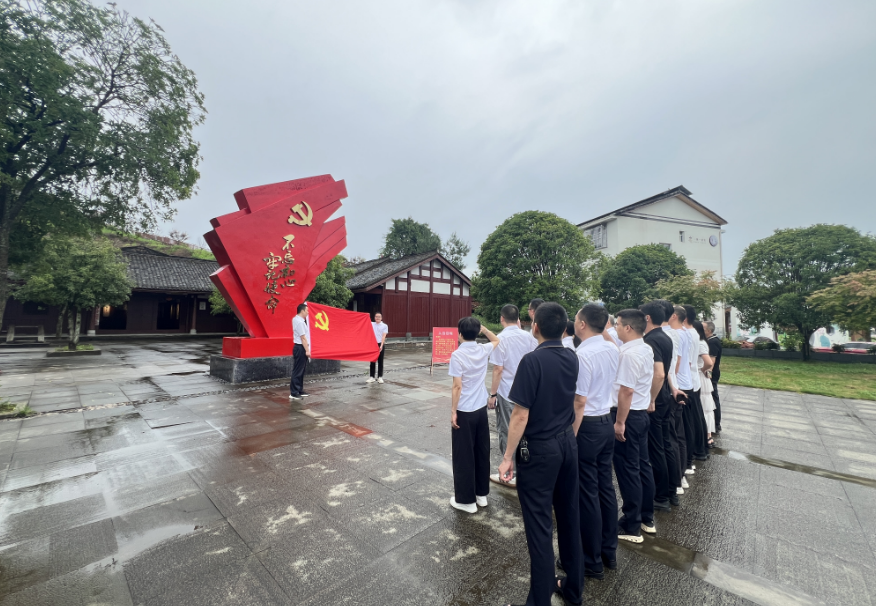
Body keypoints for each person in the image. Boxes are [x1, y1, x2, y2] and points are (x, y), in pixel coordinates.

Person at [498, 302, 583, 606]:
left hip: (540, 449)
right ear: (564, 328)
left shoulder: (532, 361)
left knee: (539, 526)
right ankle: (573, 590)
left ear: (535, 327)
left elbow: (520, 414)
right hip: (567, 443)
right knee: (569, 517)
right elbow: (575, 402)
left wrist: (507, 456)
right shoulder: (572, 356)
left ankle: (539, 600)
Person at [569, 303, 619, 580]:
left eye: (577, 318)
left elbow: (579, 401)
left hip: (587, 425)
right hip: (606, 422)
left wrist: (572, 435)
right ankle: (608, 551)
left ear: (582, 324)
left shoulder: (583, 355)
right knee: (605, 488)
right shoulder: (611, 348)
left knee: (587, 493)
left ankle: (591, 560)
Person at [611, 309, 656, 543]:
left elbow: (626, 390)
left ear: (628, 327)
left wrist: (620, 422)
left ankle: (631, 525)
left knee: (628, 471)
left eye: (618, 324)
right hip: (639, 415)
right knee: (642, 467)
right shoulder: (644, 348)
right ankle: (646, 517)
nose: (616, 328)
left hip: (628, 416)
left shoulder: (629, 355)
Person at [449, 317, 500, 513]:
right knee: (481, 450)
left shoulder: (457, 355)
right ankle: (481, 495)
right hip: (480, 408)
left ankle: (466, 501)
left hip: (465, 410)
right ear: (476, 332)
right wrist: (484, 330)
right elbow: (496, 340)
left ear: (460, 334)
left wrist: (453, 411)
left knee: (463, 455)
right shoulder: (482, 349)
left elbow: (457, 386)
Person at [488, 304, 537, 488]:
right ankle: (526, 470)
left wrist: (492, 394)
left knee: (507, 431)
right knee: (526, 431)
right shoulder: (529, 336)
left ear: (502, 318)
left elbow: (498, 369)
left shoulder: (500, 339)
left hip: (507, 392)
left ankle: (511, 473)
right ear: (518, 319)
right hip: (529, 391)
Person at [639, 301, 675, 514]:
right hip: (665, 397)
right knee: (665, 444)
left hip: (657, 399)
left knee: (656, 449)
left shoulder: (651, 340)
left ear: (647, 318)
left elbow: (659, 373)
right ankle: (670, 490)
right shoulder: (664, 337)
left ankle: (661, 496)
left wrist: (651, 399)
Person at [657, 299, 686, 498]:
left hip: (666, 390)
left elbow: (666, 369)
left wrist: (671, 387)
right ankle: (677, 481)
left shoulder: (664, 335)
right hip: (672, 386)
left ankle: (672, 486)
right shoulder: (674, 334)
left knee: (667, 441)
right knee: (672, 438)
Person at [670, 305, 698, 474]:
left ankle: (686, 464)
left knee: (681, 430)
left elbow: (678, 361)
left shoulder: (678, 334)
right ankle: (688, 462)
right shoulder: (685, 332)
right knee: (686, 426)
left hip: (681, 384)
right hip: (686, 381)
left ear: (674, 316)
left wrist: (672, 382)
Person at [682, 305, 709, 462]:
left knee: (692, 419)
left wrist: (701, 370)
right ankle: (701, 448)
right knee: (697, 416)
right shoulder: (693, 334)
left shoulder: (688, 334)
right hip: (693, 379)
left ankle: (697, 450)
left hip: (689, 380)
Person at [692, 320, 716, 445]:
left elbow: (709, 362)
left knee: (704, 407)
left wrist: (701, 370)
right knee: (704, 407)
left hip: (700, 376)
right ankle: (706, 434)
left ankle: (707, 435)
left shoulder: (700, 343)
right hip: (702, 376)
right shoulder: (702, 342)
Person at [704, 321, 723, 433]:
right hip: (712, 374)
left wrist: (708, 376)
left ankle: (716, 423)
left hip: (712, 375)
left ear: (709, 331)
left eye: (703, 328)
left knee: (713, 397)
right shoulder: (711, 340)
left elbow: (711, 361)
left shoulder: (713, 342)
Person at [290, 302, 310, 401]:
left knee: (301, 370)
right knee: (298, 371)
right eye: (307, 310)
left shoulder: (297, 319)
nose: (308, 312)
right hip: (300, 347)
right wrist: (307, 350)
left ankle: (299, 390)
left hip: (300, 347)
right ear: (302, 311)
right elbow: (303, 338)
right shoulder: (300, 322)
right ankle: (294, 393)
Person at [367, 312, 388, 384]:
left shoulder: (384, 326)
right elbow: (365, 321)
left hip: (380, 344)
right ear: (374, 317)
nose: (377, 318)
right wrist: (366, 316)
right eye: (376, 316)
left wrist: (381, 345)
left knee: (380, 361)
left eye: (379, 317)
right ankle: (372, 377)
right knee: (372, 361)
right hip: (373, 344)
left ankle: (380, 377)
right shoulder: (372, 324)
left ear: (381, 318)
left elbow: (383, 336)